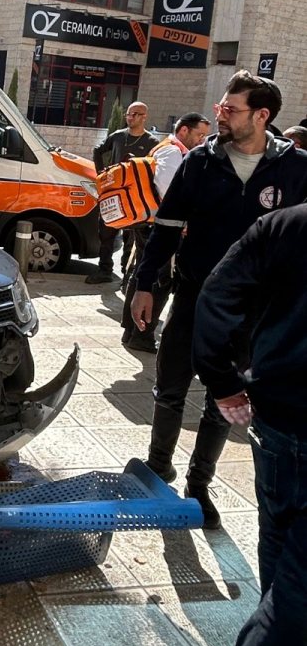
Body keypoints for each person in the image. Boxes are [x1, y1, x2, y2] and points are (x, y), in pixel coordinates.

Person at [131, 71, 307, 528]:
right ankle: (157, 467)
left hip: (255, 312)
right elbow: (166, 227)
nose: (220, 115)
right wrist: (144, 285)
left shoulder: (297, 169)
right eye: (220, 107)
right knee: (170, 388)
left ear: (262, 116)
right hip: (192, 297)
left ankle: (199, 485)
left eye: (231, 109)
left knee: (223, 399)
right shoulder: (199, 162)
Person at [189, 203, 307, 646]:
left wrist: (222, 379)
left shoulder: (288, 223)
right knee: (298, 576)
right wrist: (222, 380)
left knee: (281, 538)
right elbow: (218, 292)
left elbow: (218, 293)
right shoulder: (286, 224)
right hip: (284, 418)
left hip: (279, 416)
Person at [121, 112, 211, 352]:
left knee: (143, 274)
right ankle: (142, 335)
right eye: (199, 134)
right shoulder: (173, 152)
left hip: (151, 222)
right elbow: (169, 190)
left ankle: (131, 330)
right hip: (161, 226)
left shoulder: (168, 148)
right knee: (159, 280)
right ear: (183, 131)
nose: (203, 140)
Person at [86, 101, 159, 285]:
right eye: (128, 114)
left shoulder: (151, 142)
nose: (129, 118)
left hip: (136, 199)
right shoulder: (118, 136)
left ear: (144, 117)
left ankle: (127, 274)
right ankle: (104, 270)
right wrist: (101, 175)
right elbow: (98, 150)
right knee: (106, 233)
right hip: (114, 195)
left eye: (134, 114)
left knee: (131, 239)